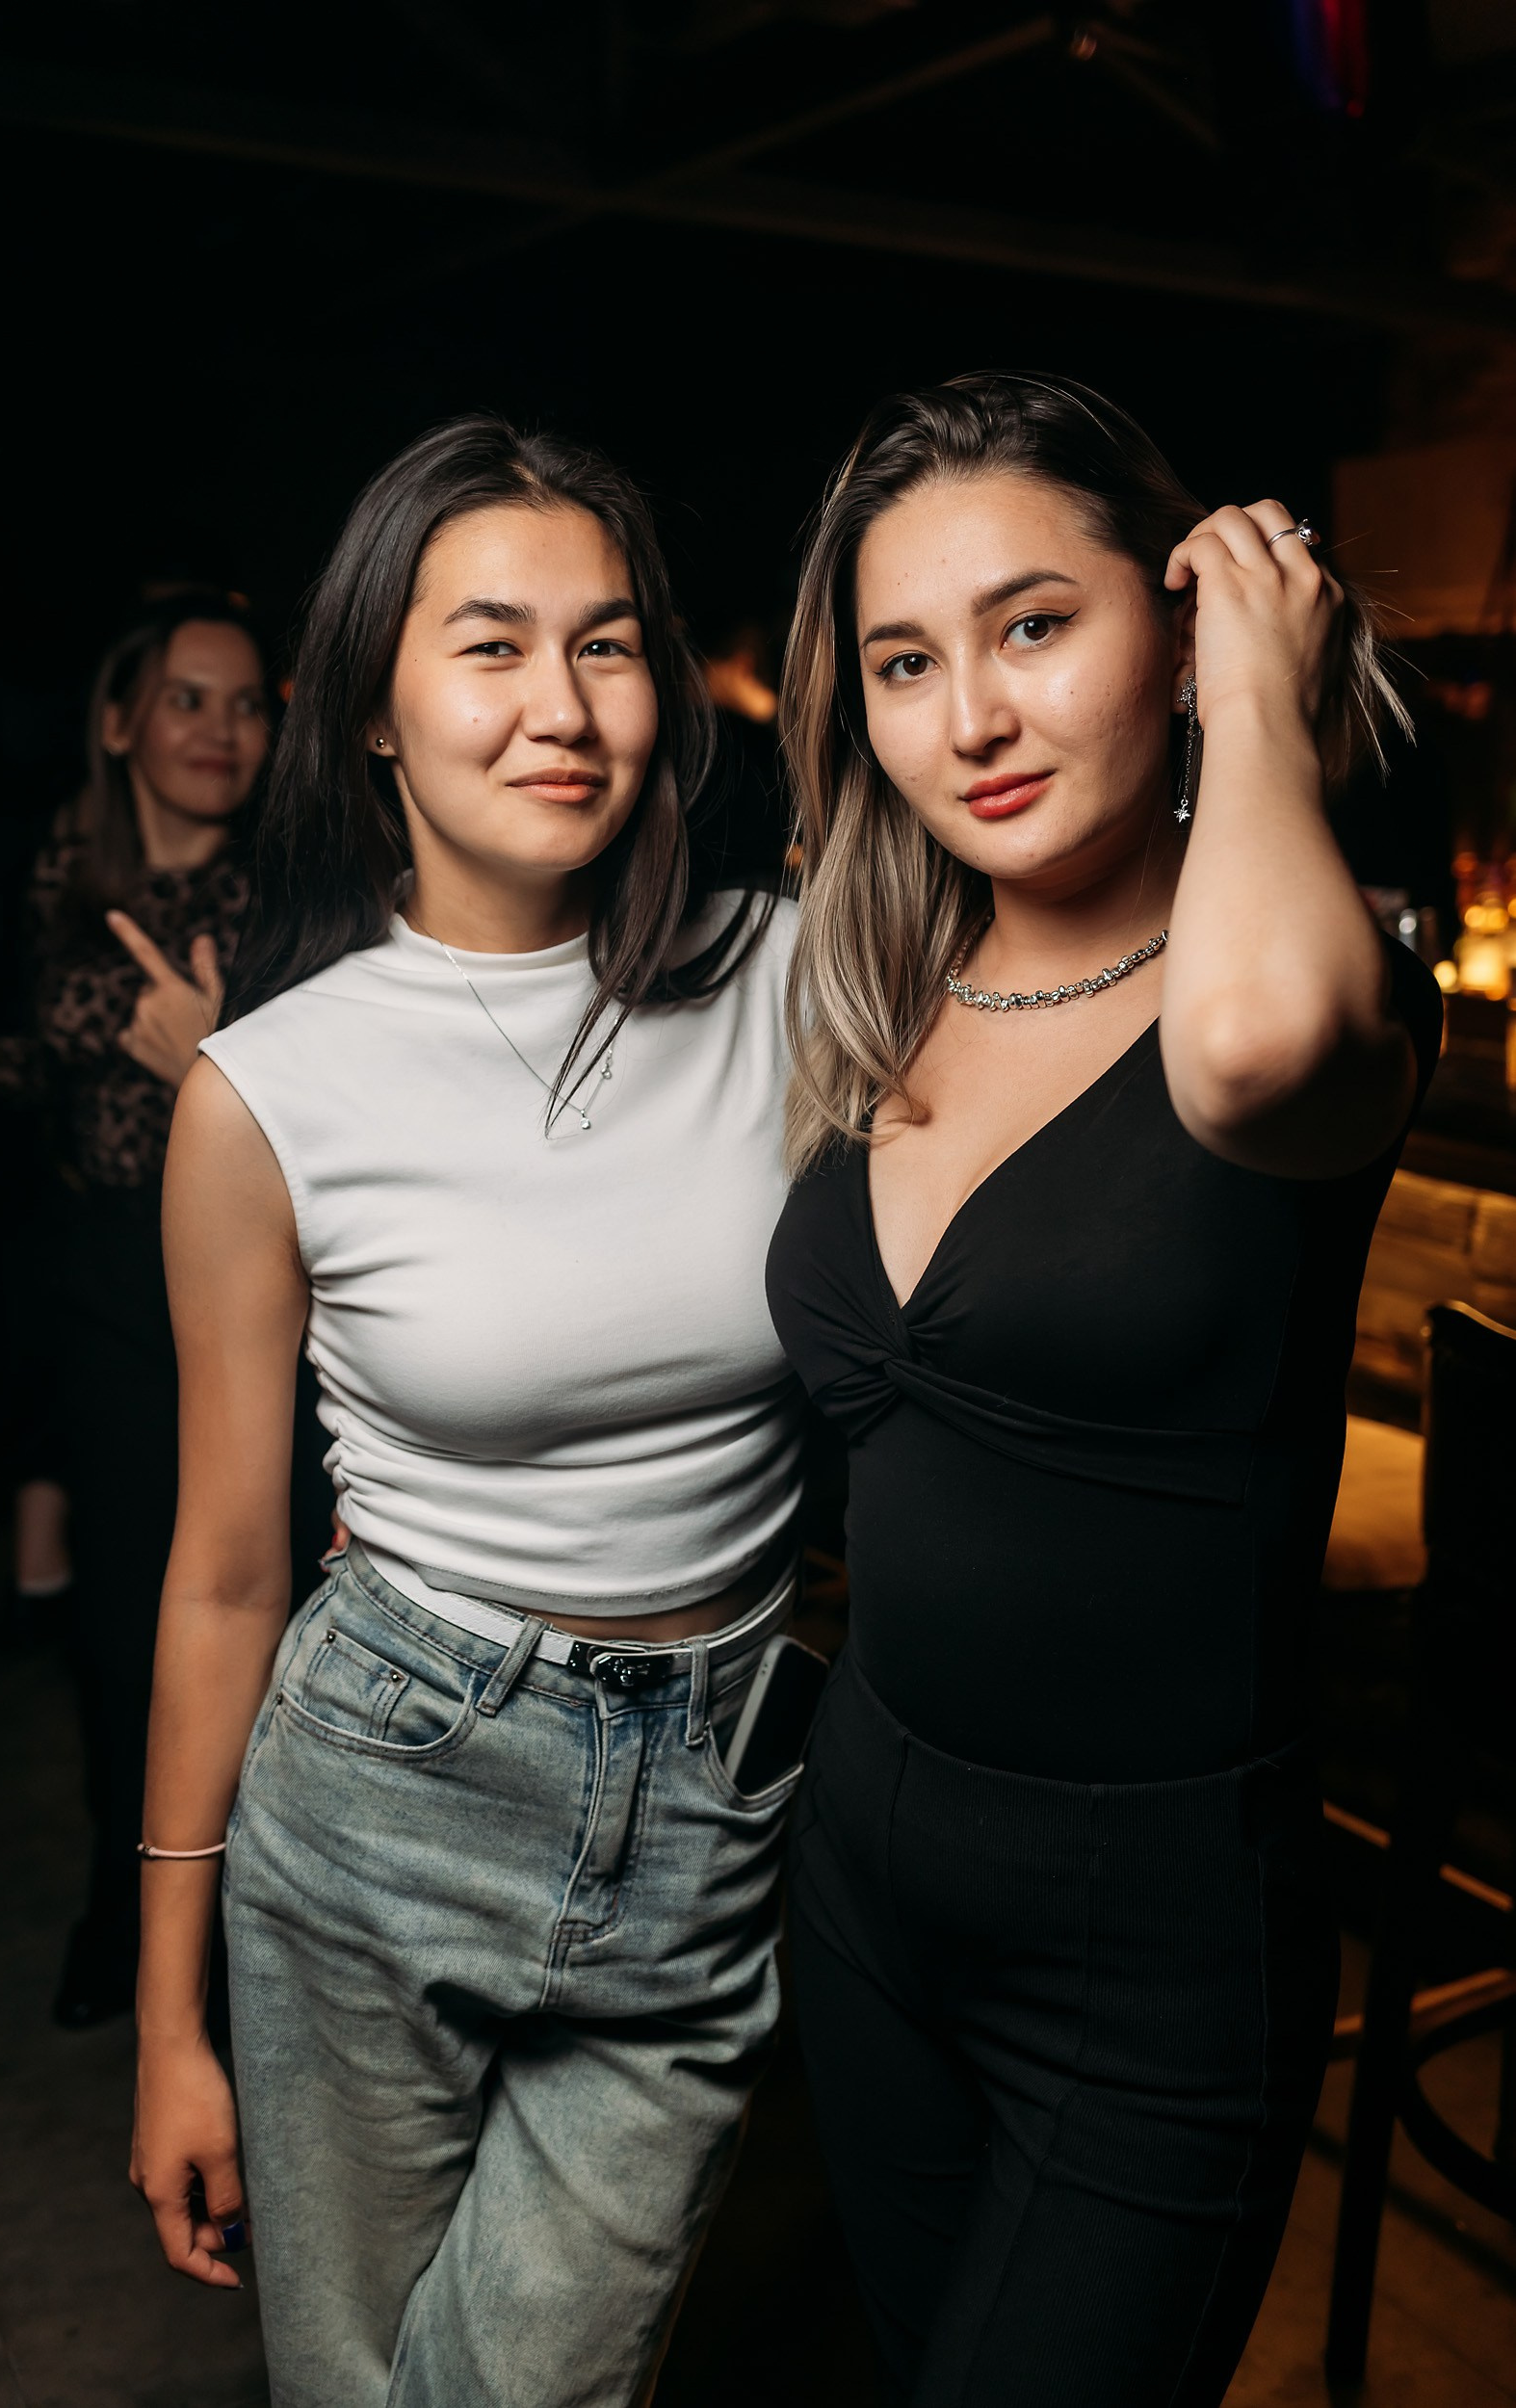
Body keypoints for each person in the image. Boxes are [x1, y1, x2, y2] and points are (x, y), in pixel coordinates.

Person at [765, 374, 1443, 2408]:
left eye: (1036, 624)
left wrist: (1262, 700)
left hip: (1150, 1949)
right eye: (907, 661)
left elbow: (1240, 1050)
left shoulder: (1315, 987)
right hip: (861, 1862)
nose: (970, 716)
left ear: (1178, 619)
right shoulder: (883, 981)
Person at [129, 418, 806, 2408]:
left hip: (717, 1802)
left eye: (607, 643)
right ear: (372, 708)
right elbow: (225, 1573)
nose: (561, 705)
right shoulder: (267, 1093)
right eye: (491, 644)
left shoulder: (790, 975)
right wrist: (171, 2025)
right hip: (389, 1784)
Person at [0, 589, 278, 2024]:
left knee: (249, 1622)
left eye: (246, 704)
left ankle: (242, 1948)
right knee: (121, 1630)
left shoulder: (286, 892)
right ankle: (126, 1911)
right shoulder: (65, 869)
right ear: (120, 722)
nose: (221, 729)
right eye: (188, 698)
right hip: (103, 1284)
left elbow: (319, 1119)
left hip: (248, 1285)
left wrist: (216, 1060)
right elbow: (69, 1059)